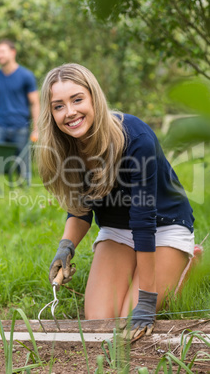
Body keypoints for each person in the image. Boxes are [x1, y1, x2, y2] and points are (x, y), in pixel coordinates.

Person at [37, 63, 195, 338]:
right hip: (117, 232)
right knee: (100, 323)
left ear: (93, 97)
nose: (70, 112)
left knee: (129, 319)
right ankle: (142, 271)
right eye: (58, 106)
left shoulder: (136, 137)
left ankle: (188, 263)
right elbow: (81, 209)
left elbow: (144, 222)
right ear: (50, 113)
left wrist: (146, 301)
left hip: (163, 227)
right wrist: (66, 246)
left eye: (77, 100)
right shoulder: (66, 147)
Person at [0, 39, 40, 185]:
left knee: (22, 165)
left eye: (2, 51)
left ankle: (23, 193)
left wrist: (36, 129)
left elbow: (35, 103)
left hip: (20, 126)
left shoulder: (26, 76)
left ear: (13, 52)